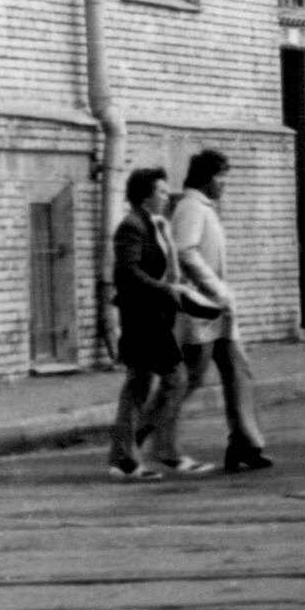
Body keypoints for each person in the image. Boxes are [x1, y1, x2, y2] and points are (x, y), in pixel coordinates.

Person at [165, 149, 274, 473]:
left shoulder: (205, 208)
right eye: (220, 175)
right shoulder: (190, 207)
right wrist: (217, 289)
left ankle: (246, 444)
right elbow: (185, 253)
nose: (224, 182)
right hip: (200, 308)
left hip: (216, 308)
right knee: (191, 376)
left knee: (239, 370)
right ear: (204, 177)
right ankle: (145, 432)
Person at [107, 167, 190, 479]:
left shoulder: (153, 224)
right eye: (162, 192)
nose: (167, 197)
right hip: (143, 317)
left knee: (139, 384)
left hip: (150, 314)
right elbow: (127, 273)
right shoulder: (131, 226)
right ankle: (136, 441)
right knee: (175, 377)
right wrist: (165, 290)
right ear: (145, 196)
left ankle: (125, 454)